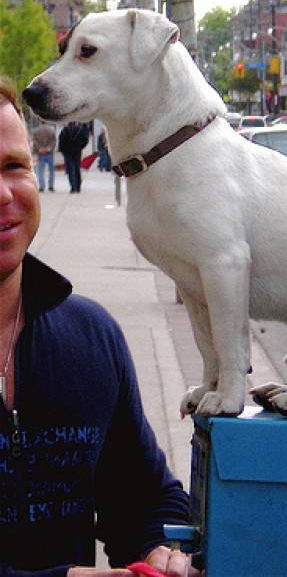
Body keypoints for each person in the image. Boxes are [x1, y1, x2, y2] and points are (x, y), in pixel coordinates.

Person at [0, 79, 195, 576]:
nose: (4, 194)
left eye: (14, 167)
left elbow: (144, 496)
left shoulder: (90, 337)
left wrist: (158, 548)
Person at [57, 121, 89, 193]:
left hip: (68, 152)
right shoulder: (80, 130)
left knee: (71, 169)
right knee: (77, 168)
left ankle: (73, 187)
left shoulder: (65, 130)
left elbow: (61, 141)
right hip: (77, 152)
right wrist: (80, 147)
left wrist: (62, 150)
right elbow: (86, 140)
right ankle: (78, 186)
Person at [31, 121, 56, 192]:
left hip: (40, 153)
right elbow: (54, 141)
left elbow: (34, 141)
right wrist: (49, 148)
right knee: (51, 171)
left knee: (40, 170)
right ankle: (51, 186)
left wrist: (40, 148)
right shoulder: (51, 130)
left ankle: (42, 186)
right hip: (50, 153)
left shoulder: (36, 131)